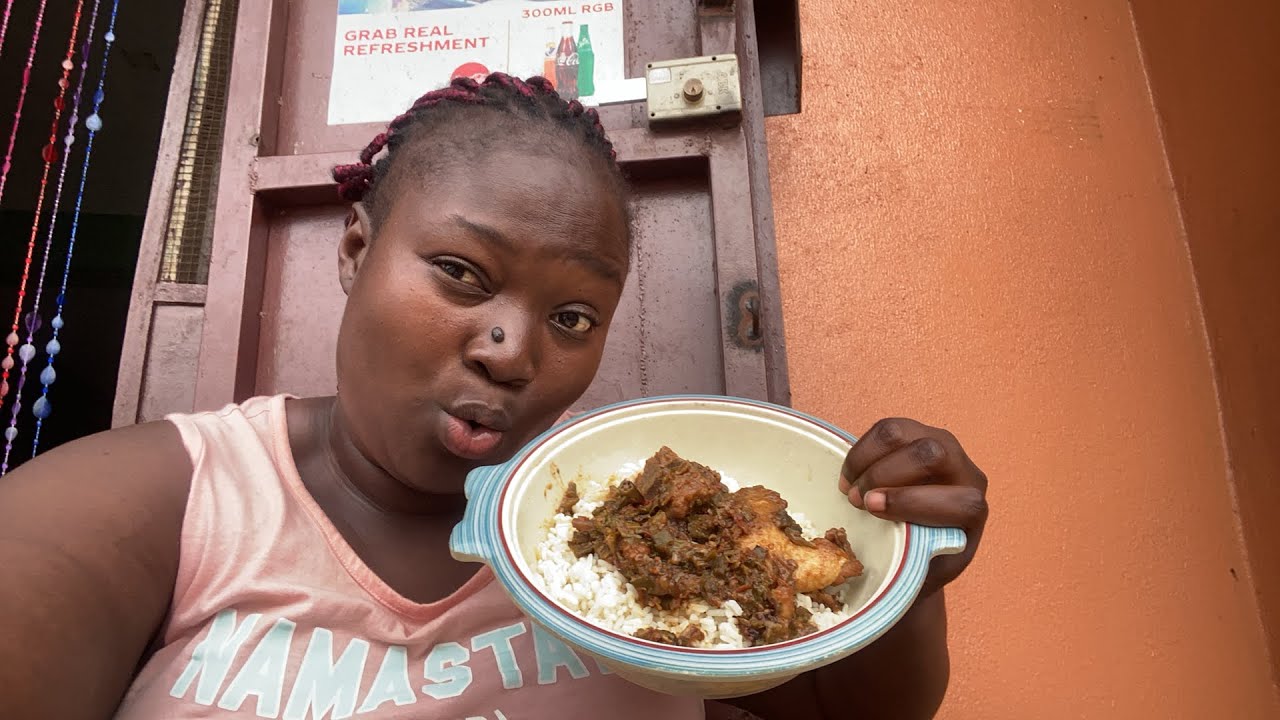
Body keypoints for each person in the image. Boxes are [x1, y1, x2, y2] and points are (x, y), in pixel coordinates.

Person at [0, 73, 988, 719]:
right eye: (462, 273)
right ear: (356, 250)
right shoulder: (164, 500)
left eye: (572, 318)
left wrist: (902, 573)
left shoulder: (638, 524)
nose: (513, 352)